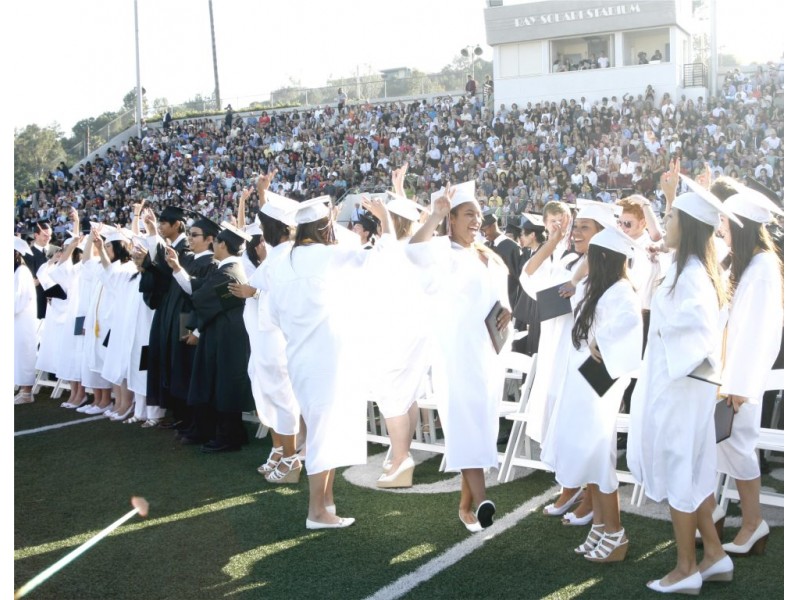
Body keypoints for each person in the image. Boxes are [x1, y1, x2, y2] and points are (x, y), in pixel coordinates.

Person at [627, 181, 739, 594]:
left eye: (672, 216)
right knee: (691, 472)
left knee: (679, 468)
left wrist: (662, 331)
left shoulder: (692, 275)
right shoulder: (688, 267)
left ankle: (685, 567)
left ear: (688, 226)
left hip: (680, 384)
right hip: (683, 384)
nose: (666, 220)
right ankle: (714, 554)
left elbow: (697, 333)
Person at [269, 194, 394, 529]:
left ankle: (326, 503)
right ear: (326, 227)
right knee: (324, 434)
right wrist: (384, 222)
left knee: (323, 430)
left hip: (300, 356)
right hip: (329, 358)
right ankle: (316, 512)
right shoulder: (331, 256)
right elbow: (379, 263)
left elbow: (274, 316)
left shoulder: (283, 263)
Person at [407, 180, 512, 533]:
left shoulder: (484, 254)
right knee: (465, 420)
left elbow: (501, 294)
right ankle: (482, 500)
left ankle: (467, 507)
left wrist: (507, 309)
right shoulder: (441, 251)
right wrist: (434, 215)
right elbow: (412, 251)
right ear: (451, 219)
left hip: (487, 352)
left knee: (481, 422)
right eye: (468, 214)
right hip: (455, 353)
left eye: (479, 215)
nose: (476, 221)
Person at [544, 226, 642, 562]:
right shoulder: (594, 287)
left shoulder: (622, 292)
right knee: (587, 455)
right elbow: (557, 296)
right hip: (581, 381)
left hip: (598, 385)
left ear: (602, 258)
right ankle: (599, 526)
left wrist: (603, 342)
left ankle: (615, 533)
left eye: (590, 256)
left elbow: (627, 334)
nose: (584, 260)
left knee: (600, 458)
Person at [711, 183, 783, 556]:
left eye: (724, 220)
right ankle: (720, 514)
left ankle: (754, 523)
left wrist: (737, 385)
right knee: (727, 449)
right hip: (728, 376)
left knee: (739, 449)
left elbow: (759, 334)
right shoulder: (749, 262)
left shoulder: (763, 268)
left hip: (740, 381)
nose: (720, 227)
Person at [231, 186, 303, 481]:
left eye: (263, 227)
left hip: (275, 339)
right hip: (261, 339)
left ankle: (291, 459)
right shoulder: (277, 254)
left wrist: (253, 291)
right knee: (266, 394)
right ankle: (279, 450)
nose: (259, 234)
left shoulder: (288, 256)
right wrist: (261, 195)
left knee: (281, 396)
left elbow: (281, 294)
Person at [166, 221, 256, 452]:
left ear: (223, 244)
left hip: (227, 338)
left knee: (225, 386)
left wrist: (192, 328)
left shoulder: (228, 273)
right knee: (222, 385)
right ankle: (229, 433)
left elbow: (201, 298)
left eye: (216, 241)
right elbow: (202, 293)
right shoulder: (227, 270)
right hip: (223, 335)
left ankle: (229, 437)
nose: (213, 244)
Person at [14, 238, 37, 405]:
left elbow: (18, 299)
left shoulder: (22, 271)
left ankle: (26, 392)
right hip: (16, 321)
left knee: (23, 355)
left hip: (22, 321)